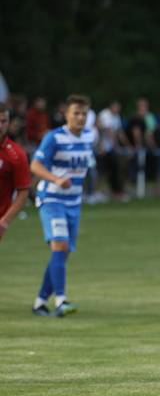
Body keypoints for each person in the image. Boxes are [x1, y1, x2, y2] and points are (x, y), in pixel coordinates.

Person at [29, 94, 96, 317]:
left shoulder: (88, 137)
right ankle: (61, 301)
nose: (80, 117)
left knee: (63, 252)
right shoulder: (54, 137)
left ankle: (40, 302)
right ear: (65, 114)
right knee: (59, 246)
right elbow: (35, 166)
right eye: (76, 113)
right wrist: (56, 179)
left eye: (84, 113)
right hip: (52, 200)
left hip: (73, 203)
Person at [0, 101, 32, 243]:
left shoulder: (16, 154)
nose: (0, 126)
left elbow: (23, 191)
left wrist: (5, 221)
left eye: (3, 121)